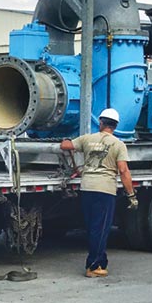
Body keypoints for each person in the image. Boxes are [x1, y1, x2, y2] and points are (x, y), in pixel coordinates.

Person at [60, 108, 136, 278]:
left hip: (87, 188)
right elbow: (123, 171)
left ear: (100, 122)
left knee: (92, 227)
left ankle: (100, 260)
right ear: (115, 126)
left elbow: (66, 145)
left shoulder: (87, 139)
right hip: (105, 190)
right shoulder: (118, 144)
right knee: (100, 229)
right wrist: (131, 195)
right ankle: (94, 265)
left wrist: (65, 140)